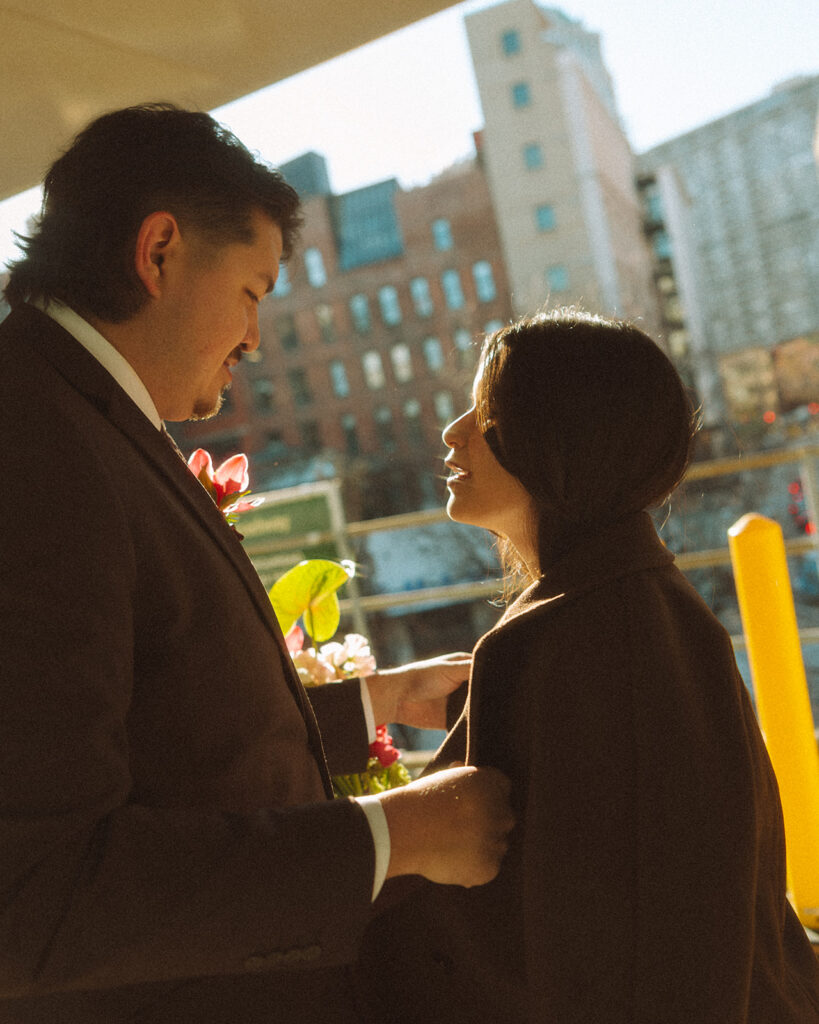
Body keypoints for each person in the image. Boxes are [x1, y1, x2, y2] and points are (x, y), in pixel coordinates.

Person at [0, 103, 515, 1024]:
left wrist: (370, 706)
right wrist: (394, 836)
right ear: (158, 253)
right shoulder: (35, 446)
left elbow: (156, 727)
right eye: (253, 290)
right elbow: (34, 892)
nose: (254, 339)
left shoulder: (76, 415)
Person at [355, 309, 819, 1023]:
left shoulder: (595, 631)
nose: (453, 435)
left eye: (483, 413)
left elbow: (642, 942)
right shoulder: (610, 612)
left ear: (556, 437)